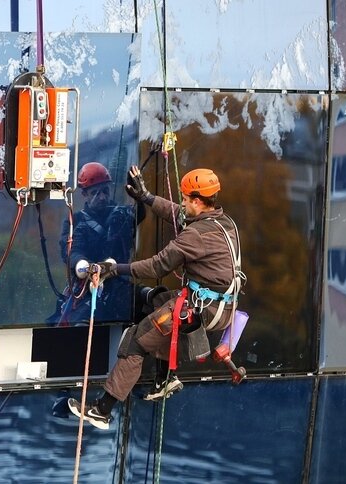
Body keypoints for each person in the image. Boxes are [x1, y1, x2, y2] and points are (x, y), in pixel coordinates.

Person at [68, 166, 244, 429]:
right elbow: (177, 213)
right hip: (220, 306)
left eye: (186, 199)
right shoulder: (222, 222)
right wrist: (147, 197)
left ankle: (102, 411)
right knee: (159, 301)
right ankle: (165, 380)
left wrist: (112, 269)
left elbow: (156, 267)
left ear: (197, 201)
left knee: (136, 341)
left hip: (201, 309)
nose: (183, 204)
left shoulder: (195, 236)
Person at [51, 161, 145, 324]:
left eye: (105, 191)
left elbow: (139, 215)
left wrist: (140, 197)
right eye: (95, 192)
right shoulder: (76, 221)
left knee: (147, 302)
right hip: (87, 286)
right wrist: (85, 265)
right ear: (85, 194)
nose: (102, 197)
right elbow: (70, 252)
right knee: (80, 321)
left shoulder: (120, 214)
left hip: (118, 284)